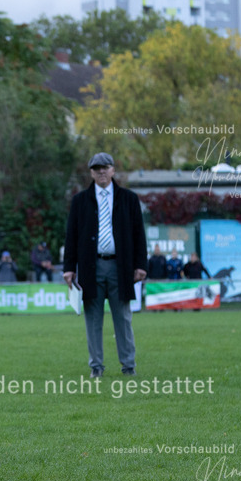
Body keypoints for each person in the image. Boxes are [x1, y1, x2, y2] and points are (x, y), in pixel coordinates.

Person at [63, 152, 147, 377]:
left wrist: (141, 265)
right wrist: (69, 268)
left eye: (105, 167)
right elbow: (71, 236)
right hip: (92, 267)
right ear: (91, 172)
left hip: (122, 267)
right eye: (96, 167)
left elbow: (139, 234)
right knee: (93, 320)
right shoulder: (80, 200)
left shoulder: (129, 198)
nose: (101, 171)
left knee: (123, 319)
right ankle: (96, 367)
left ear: (113, 170)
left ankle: (128, 365)